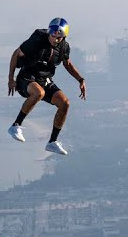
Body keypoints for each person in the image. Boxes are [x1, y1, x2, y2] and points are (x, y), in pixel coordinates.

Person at [6, 17, 85, 155]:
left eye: (58, 37)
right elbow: (16, 53)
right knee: (39, 93)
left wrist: (80, 80)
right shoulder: (37, 40)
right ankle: (15, 126)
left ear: (63, 37)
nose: (54, 39)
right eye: (53, 35)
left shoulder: (63, 47)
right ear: (49, 32)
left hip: (45, 79)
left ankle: (52, 142)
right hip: (26, 77)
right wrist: (10, 78)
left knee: (65, 103)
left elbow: (68, 64)